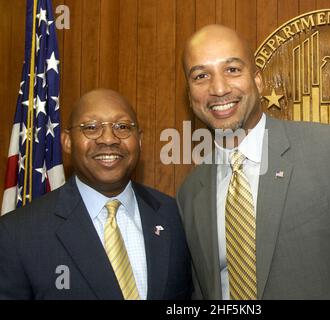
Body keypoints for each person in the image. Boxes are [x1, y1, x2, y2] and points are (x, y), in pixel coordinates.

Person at [177, 24, 330, 299]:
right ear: (190, 94)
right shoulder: (190, 192)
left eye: (232, 70)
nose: (218, 88)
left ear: (258, 80)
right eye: (201, 75)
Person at [0, 89, 191, 300]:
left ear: (140, 140)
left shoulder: (175, 217)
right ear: (67, 141)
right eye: (90, 128)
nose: (108, 139)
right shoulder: (17, 234)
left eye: (123, 127)